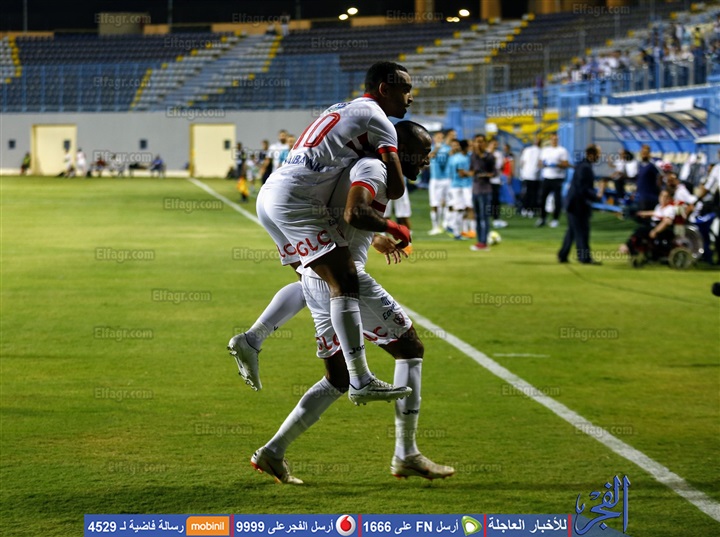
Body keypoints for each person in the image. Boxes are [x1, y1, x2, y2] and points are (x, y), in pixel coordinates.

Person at [249, 121, 454, 484]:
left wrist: (373, 237)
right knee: (409, 348)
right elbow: (354, 212)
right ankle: (406, 453)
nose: (426, 161)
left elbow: (343, 213)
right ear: (400, 150)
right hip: (343, 279)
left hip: (316, 275)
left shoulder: (360, 165)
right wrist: (394, 229)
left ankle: (273, 452)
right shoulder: (374, 167)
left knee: (337, 377)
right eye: (422, 154)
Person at [228, 61, 414, 405]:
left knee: (312, 281)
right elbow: (398, 187)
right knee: (345, 281)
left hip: (271, 195)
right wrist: (393, 224)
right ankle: (361, 379)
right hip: (297, 201)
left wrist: (374, 235)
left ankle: (252, 339)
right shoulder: (380, 121)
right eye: (405, 90)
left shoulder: (340, 108)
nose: (410, 98)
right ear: (384, 89)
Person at [558, 144, 605, 264]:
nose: (599, 157)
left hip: (574, 203)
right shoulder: (585, 167)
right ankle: (584, 257)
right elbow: (582, 188)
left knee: (573, 230)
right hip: (577, 205)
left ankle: (563, 254)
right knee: (582, 231)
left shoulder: (583, 165)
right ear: (591, 154)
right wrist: (596, 196)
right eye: (598, 154)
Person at [619, 189, 675, 256]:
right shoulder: (659, 207)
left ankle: (628, 246)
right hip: (653, 225)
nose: (663, 198)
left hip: (662, 229)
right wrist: (640, 213)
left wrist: (655, 231)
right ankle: (634, 249)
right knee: (641, 228)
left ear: (670, 199)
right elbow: (654, 213)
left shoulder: (670, 208)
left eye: (666, 197)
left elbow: (667, 221)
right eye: (661, 196)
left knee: (641, 230)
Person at [537, 133, 570, 228]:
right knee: (542, 198)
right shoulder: (545, 150)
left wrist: (556, 164)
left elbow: (566, 164)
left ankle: (555, 219)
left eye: (556, 139)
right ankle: (542, 218)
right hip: (546, 177)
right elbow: (540, 163)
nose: (554, 141)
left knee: (557, 200)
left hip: (557, 178)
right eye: (552, 139)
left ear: (558, 140)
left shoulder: (562, 150)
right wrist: (544, 164)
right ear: (550, 140)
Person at [469, 134, 495, 251]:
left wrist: (484, 175)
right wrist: (467, 173)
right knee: (478, 217)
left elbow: (494, 173)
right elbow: (472, 170)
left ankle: (484, 242)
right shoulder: (473, 156)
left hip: (485, 190)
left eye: (481, 141)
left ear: (485, 143)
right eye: (476, 141)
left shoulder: (489, 157)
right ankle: (479, 241)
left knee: (485, 217)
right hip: (475, 189)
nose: (478, 144)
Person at [427, 130, 453, 235]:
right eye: (438, 137)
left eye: (441, 138)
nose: (440, 140)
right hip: (435, 179)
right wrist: (437, 148)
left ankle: (446, 223)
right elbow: (429, 157)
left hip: (446, 179)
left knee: (448, 202)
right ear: (434, 139)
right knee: (434, 203)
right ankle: (435, 226)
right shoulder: (431, 148)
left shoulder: (448, 148)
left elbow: (452, 155)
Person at [447, 139, 472, 239]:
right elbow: (461, 174)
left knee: (462, 209)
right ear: (465, 147)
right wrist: (474, 173)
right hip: (459, 187)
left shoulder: (461, 157)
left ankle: (458, 229)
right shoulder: (460, 159)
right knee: (460, 209)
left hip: (460, 186)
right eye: (469, 146)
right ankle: (456, 231)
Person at [519, 136, 542, 218]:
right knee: (533, 194)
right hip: (534, 176)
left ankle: (525, 209)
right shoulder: (540, 151)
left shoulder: (527, 150)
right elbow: (540, 163)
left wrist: (522, 173)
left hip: (526, 175)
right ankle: (530, 210)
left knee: (527, 193)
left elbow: (522, 163)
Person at [635, 144, 661, 211]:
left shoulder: (653, 164)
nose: (644, 154)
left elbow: (660, 175)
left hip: (650, 195)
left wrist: (658, 187)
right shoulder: (640, 165)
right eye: (642, 152)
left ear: (649, 153)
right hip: (642, 194)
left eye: (645, 152)